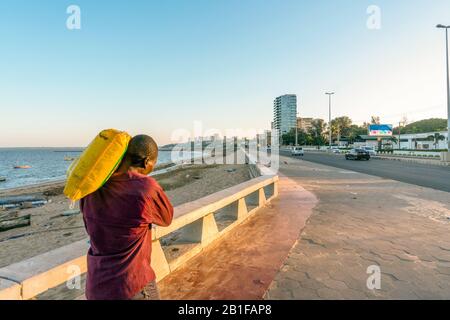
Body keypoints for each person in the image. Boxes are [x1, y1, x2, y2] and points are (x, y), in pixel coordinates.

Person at [80, 134, 173, 300]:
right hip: (132, 285)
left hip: (96, 286)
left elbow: (91, 227)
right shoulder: (145, 187)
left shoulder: (92, 187)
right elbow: (166, 218)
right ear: (146, 162)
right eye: (154, 163)